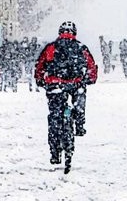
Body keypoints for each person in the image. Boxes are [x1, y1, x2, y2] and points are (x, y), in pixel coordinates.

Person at [33, 22, 99, 166]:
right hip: (75, 84)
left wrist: (40, 80)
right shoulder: (81, 48)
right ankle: (79, 124)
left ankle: (55, 152)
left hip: (55, 85)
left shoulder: (51, 47)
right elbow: (91, 66)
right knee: (79, 101)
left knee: (55, 117)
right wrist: (90, 79)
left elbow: (40, 66)